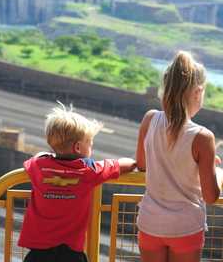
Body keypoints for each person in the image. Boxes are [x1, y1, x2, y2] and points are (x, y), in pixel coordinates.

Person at [135, 51, 223, 262]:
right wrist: (217, 170)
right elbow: (211, 196)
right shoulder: (203, 136)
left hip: (150, 222)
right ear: (198, 92)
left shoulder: (150, 120)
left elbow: (141, 164)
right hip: (185, 227)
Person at [18, 104, 137, 262]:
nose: (91, 146)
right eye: (90, 142)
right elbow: (124, 164)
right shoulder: (89, 171)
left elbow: (35, 158)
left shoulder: (39, 165)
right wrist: (136, 164)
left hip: (38, 252)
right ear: (78, 147)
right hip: (70, 252)